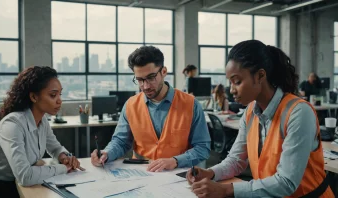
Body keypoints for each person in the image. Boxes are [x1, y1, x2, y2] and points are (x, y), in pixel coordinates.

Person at [186, 40, 334, 197]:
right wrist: (210, 173)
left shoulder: (298, 112)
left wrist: (227, 189)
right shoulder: (250, 112)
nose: (232, 90)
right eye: (230, 82)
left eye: (237, 82)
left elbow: (286, 182)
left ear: (260, 76)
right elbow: (236, 161)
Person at [91, 46, 210, 172]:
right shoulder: (130, 105)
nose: (145, 86)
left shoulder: (191, 105)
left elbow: (202, 148)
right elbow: (120, 141)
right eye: (140, 80)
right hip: (141, 175)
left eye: (151, 77)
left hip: (179, 174)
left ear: (163, 71)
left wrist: (175, 161)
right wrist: (107, 153)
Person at [0, 66, 80, 197]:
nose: (59, 100)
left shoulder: (42, 121)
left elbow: (55, 147)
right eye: (53, 95)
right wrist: (63, 168)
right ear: (34, 97)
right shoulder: (12, 125)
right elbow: (25, 176)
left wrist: (65, 157)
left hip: (22, 184)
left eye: (60, 94)